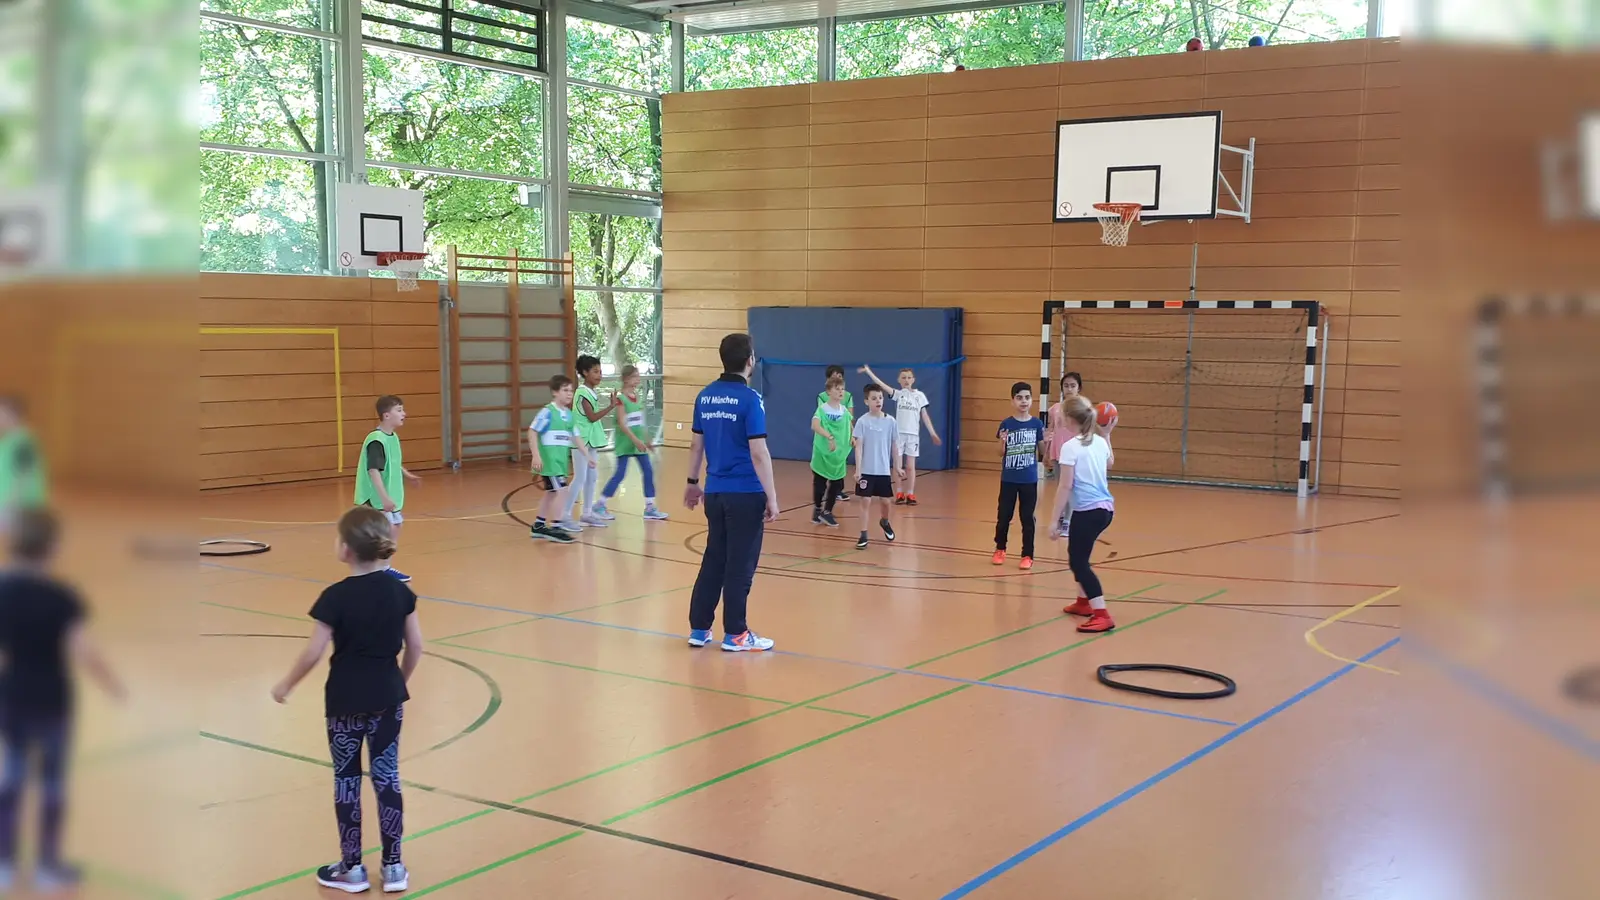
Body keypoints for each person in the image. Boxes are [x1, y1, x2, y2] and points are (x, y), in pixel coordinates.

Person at [272, 506, 422, 893]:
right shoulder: (400, 592)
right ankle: (393, 868)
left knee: (347, 780)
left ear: (346, 549)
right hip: (387, 699)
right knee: (387, 777)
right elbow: (416, 646)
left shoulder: (335, 598)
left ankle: (351, 869)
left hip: (344, 702)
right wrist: (396, 682)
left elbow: (313, 652)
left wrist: (286, 685)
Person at [0, 508, 123, 892]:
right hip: (54, 700)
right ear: (53, 548)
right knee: (53, 784)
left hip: (13, 696)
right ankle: (47, 867)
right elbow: (85, 651)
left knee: (14, 777)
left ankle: (3, 864)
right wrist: (113, 686)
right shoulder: (62, 597)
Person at [684, 333, 779, 652]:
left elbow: (696, 445)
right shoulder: (751, 399)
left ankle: (699, 628)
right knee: (740, 565)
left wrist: (691, 482)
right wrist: (772, 496)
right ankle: (736, 633)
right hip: (745, 493)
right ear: (750, 360)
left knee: (714, 558)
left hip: (715, 492)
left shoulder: (705, 396)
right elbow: (759, 453)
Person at [1049, 397, 1117, 633]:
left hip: (1087, 512)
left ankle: (1102, 613)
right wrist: (1107, 434)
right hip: (1105, 510)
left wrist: (1054, 520)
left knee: (1079, 563)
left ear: (1069, 419)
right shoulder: (1098, 441)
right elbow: (1110, 463)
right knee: (1078, 555)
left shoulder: (1070, 447)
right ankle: (1083, 602)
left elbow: (1064, 486)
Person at [354, 395, 421, 583]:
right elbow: (373, 470)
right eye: (399, 410)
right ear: (386, 415)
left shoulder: (391, 437)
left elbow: (392, 462)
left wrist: (407, 475)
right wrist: (384, 499)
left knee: (394, 529)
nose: (404, 414)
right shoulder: (376, 440)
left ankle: (382, 568)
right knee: (387, 531)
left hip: (389, 495)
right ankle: (378, 570)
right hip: (375, 497)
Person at [860, 365, 941, 504]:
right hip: (898, 435)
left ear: (913, 379)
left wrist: (932, 433)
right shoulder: (898, 394)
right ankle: (899, 492)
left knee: (910, 466)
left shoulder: (919, 396)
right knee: (898, 464)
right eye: (903, 377)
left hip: (913, 436)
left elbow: (924, 416)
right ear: (899, 380)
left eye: (909, 377)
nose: (906, 380)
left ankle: (910, 493)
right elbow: (880, 384)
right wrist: (868, 372)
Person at [595, 365, 667, 521]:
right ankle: (600, 504)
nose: (638, 379)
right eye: (635, 376)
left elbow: (640, 422)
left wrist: (647, 439)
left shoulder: (638, 397)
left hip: (639, 443)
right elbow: (622, 423)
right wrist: (635, 439)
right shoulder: (621, 399)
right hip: (626, 443)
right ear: (627, 379)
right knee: (620, 474)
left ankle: (650, 507)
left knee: (648, 471)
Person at [994, 382, 1046, 571]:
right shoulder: (1006, 424)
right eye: (1019, 397)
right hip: (1008, 479)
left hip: (1029, 480)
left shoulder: (1037, 424)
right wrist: (1002, 441)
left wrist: (1045, 441)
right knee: (1004, 516)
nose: (1023, 401)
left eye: (1027, 397)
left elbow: (1042, 451)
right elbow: (1000, 453)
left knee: (1027, 517)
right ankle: (1000, 548)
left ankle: (1027, 554)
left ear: (1032, 400)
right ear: (1012, 400)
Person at [528, 375, 580, 544]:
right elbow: (532, 431)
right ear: (555, 392)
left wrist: (587, 455)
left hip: (560, 462)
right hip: (549, 462)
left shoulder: (568, 415)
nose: (569, 393)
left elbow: (576, 437)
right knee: (562, 491)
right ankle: (556, 527)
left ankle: (539, 525)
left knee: (551, 493)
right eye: (565, 390)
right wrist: (536, 454)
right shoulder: (547, 412)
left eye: (571, 390)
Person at [851, 383, 901, 550]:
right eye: (874, 398)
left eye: (880, 398)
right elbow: (858, 447)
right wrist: (858, 470)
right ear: (866, 401)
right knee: (865, 501)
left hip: (883, 471)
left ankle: (884, 521)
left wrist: (898, 467)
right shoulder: (862, 422)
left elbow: (895, 446)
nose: (878, 401)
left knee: (886, 502)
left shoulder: (890, 422)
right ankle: (863, 534)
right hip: (867, 470)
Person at [570, 355, 616, 529]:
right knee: (580, 478)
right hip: (581, 441)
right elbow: (592, 417)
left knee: (592, 477)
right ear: (584, 373)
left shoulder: (591, 391)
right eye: (595, 371)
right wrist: (611, 407)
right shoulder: (582, 392)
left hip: (590, 441)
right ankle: (564, 515)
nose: (599, 375)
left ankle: (587, 513)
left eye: (600, 371)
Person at [810, 373, 852, 528]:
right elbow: (815, 425)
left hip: (838, 455)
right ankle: (817, 509)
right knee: (820, 483)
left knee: (836, 483)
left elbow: (849, 425)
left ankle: (827, 512)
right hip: (823, 452)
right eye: (837, 389)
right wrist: (828, 436)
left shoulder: (844, 411)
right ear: (828, 391)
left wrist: (852, 437)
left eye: (842, 389)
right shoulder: (822, 409)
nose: (841, 392)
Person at [0, 397, 47, 526]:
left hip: (20, 505)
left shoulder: (23, 442)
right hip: (6, 502)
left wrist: (13, 503)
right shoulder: (8, 440)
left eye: (1, 413)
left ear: (12, 415)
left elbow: (24, 474)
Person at [819, 366, 853, 502]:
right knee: (826, 461)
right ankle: (822, 489)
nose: (837, 379)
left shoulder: (848, 396)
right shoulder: (822, 397)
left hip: (842, 434)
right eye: (834, 376)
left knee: (840, 460)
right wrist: (828, 435)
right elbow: (821, 416)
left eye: (840, 376)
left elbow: (850, 416)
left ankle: (838, 489)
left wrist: (851, 434)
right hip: (828, 433)